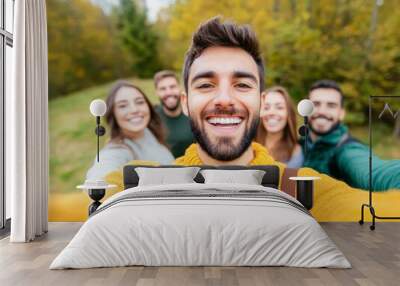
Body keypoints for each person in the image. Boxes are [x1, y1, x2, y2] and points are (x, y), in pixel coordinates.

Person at [105, 17, 400, 221]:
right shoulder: (133, 185)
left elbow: (378, 194)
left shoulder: (308, 189)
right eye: (206, 85)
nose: (224, 99)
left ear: (260, 102)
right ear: (185, 102)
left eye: (242, 85)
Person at [303, 79, 400, 190]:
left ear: (342, 113)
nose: (322, 111)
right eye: (315, 104)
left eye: (331, 105)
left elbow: (372, 173)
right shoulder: (299, 143)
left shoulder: (347, 149)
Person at [86, 80, 174, 180]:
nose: (134, 110)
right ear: (113, 113)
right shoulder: (117, 151)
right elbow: (100, 177)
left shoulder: (149, 133)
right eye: (123, 106)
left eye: (139, 102)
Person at [256, 86, 303, 168]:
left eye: (279, 107)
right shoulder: (248, 145)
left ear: (288, 114)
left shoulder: (296, 152)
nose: (271, 112)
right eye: (266, 108)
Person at [154, 70, 194, 158]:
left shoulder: (194, 112)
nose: (168, 92)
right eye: (162, 89)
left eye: (172, 87)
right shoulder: (151, 117)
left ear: (180, 88)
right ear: (156, 92)